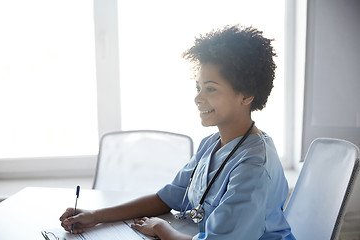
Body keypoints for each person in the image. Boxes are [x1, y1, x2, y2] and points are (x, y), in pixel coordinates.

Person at [60, 25, 295, 240]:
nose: (198, 98)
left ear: (247, 95)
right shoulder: (211, 144)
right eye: (198, 87)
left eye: (210, 89)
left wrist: (160, 229)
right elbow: (166, 199)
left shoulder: (254, 167)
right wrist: (95, 215)